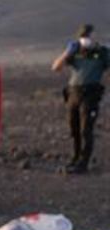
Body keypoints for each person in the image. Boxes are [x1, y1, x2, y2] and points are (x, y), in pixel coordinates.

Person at [52, 24, 109, 174]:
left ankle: (83, 163)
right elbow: (56, 67)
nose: (86, 40)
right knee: (74, 127)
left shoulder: (102, 52)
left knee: (86, 129)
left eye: (89, 36)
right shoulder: (76, 52)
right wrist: (67, 52)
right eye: (84, 37)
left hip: (90, 94)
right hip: (73, 93)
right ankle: (75, 158)